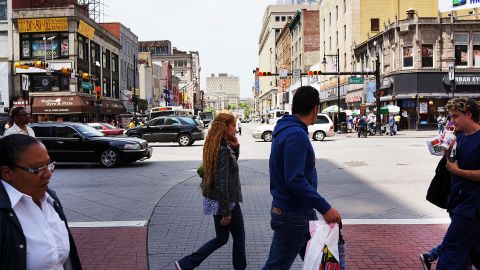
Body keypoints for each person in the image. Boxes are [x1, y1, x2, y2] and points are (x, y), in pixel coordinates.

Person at [262, 86, 341, 270]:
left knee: (323, 262)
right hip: (293, 215)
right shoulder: (296, 134)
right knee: (276, 266)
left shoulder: (288, 130)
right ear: (315, 109)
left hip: (299, 212)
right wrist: (326, 208)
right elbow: (295, 179)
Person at [0, 134, 82, 269]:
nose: (48, 174)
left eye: (48, 165)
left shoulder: (51, 200)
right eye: (37, 169)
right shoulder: (4, 214)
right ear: (7, 173)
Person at [176, 113, 246, 270]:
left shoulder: (221, 146)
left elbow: (229, 168)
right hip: (228, 203)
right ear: (225, 127)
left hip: (221, 201)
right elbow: (222, 182)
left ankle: (186, 264)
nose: (236, 129)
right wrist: (226, 212)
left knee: (222, 238)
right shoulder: (223, 150)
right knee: (239, 239)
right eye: (233, 125)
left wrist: (235, 147)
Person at [434, 98, 480, 270]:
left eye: (456, 116)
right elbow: (451, 163)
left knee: (450, 250)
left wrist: (458, 171)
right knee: (474, 250)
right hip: (458, 202)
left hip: (471, 207)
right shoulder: (459, 137)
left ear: (469, 115)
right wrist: (446, 150)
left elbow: (456, 169)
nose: (452, 121)